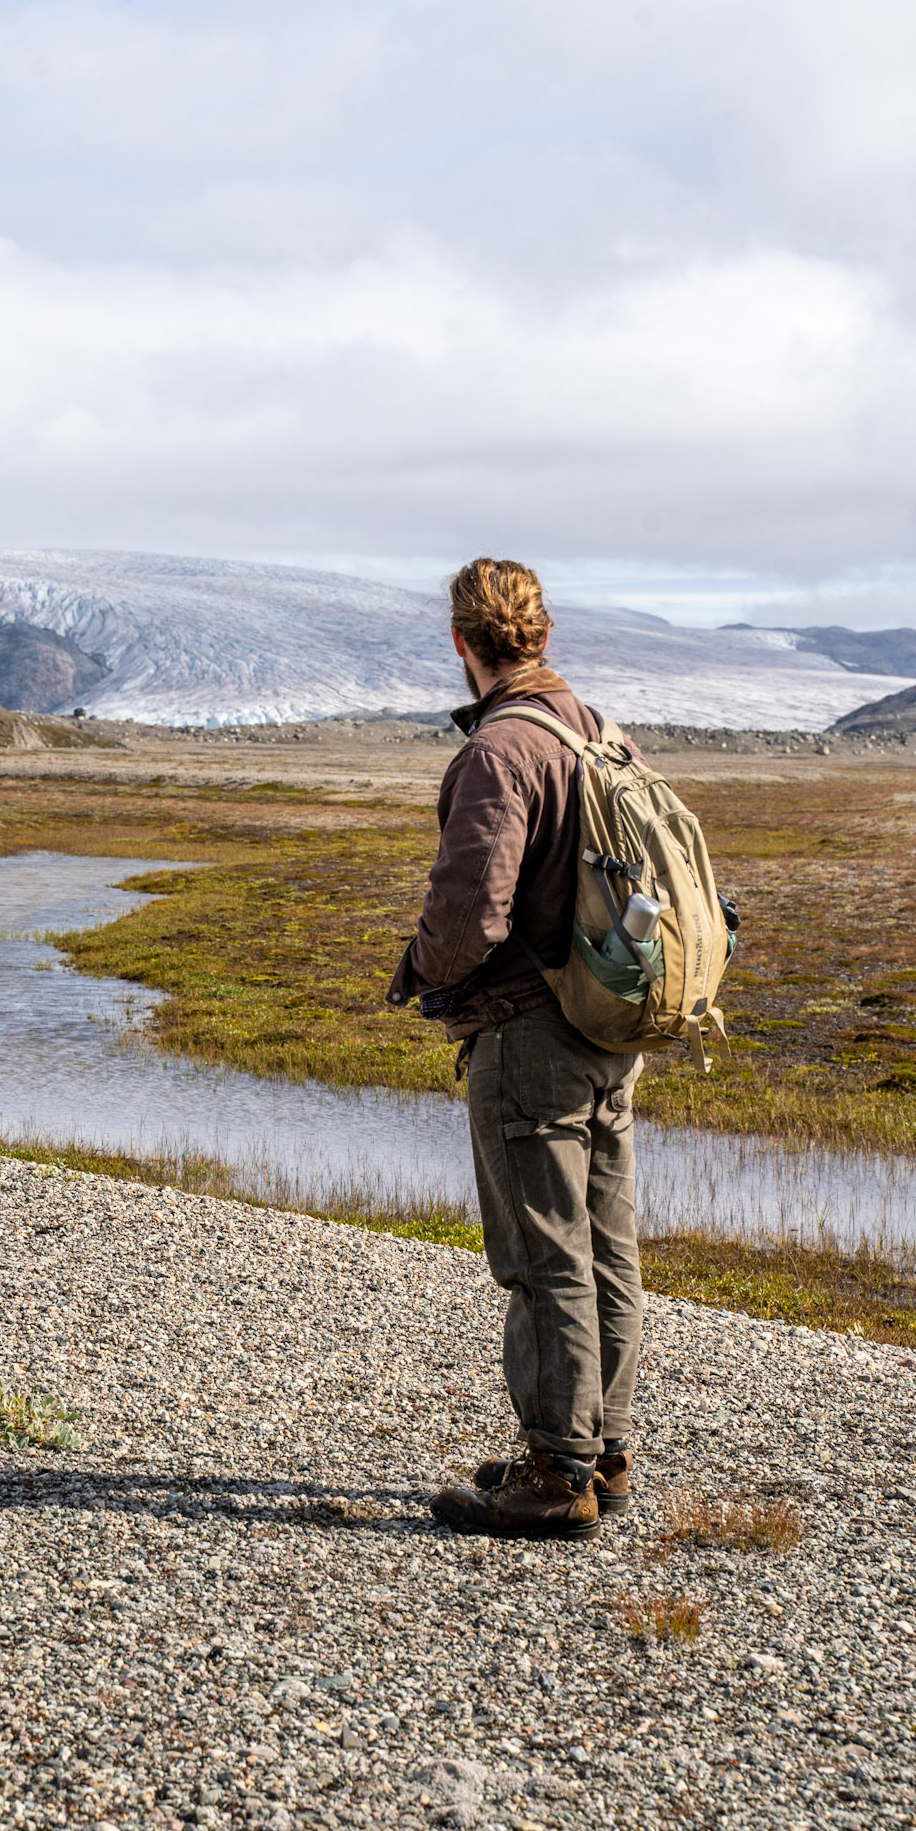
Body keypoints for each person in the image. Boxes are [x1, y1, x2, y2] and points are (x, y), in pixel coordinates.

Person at [387, 557, 642, 1541]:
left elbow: (469, 918)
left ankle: (553, 1472)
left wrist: (419, 968)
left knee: (543, 1256)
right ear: (541, 634)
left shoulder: (501, 751)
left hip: (528, 1033)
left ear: (462, 643)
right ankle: (603, 1448)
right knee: (605, 1246)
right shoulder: (599, 731)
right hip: (608, 1025)